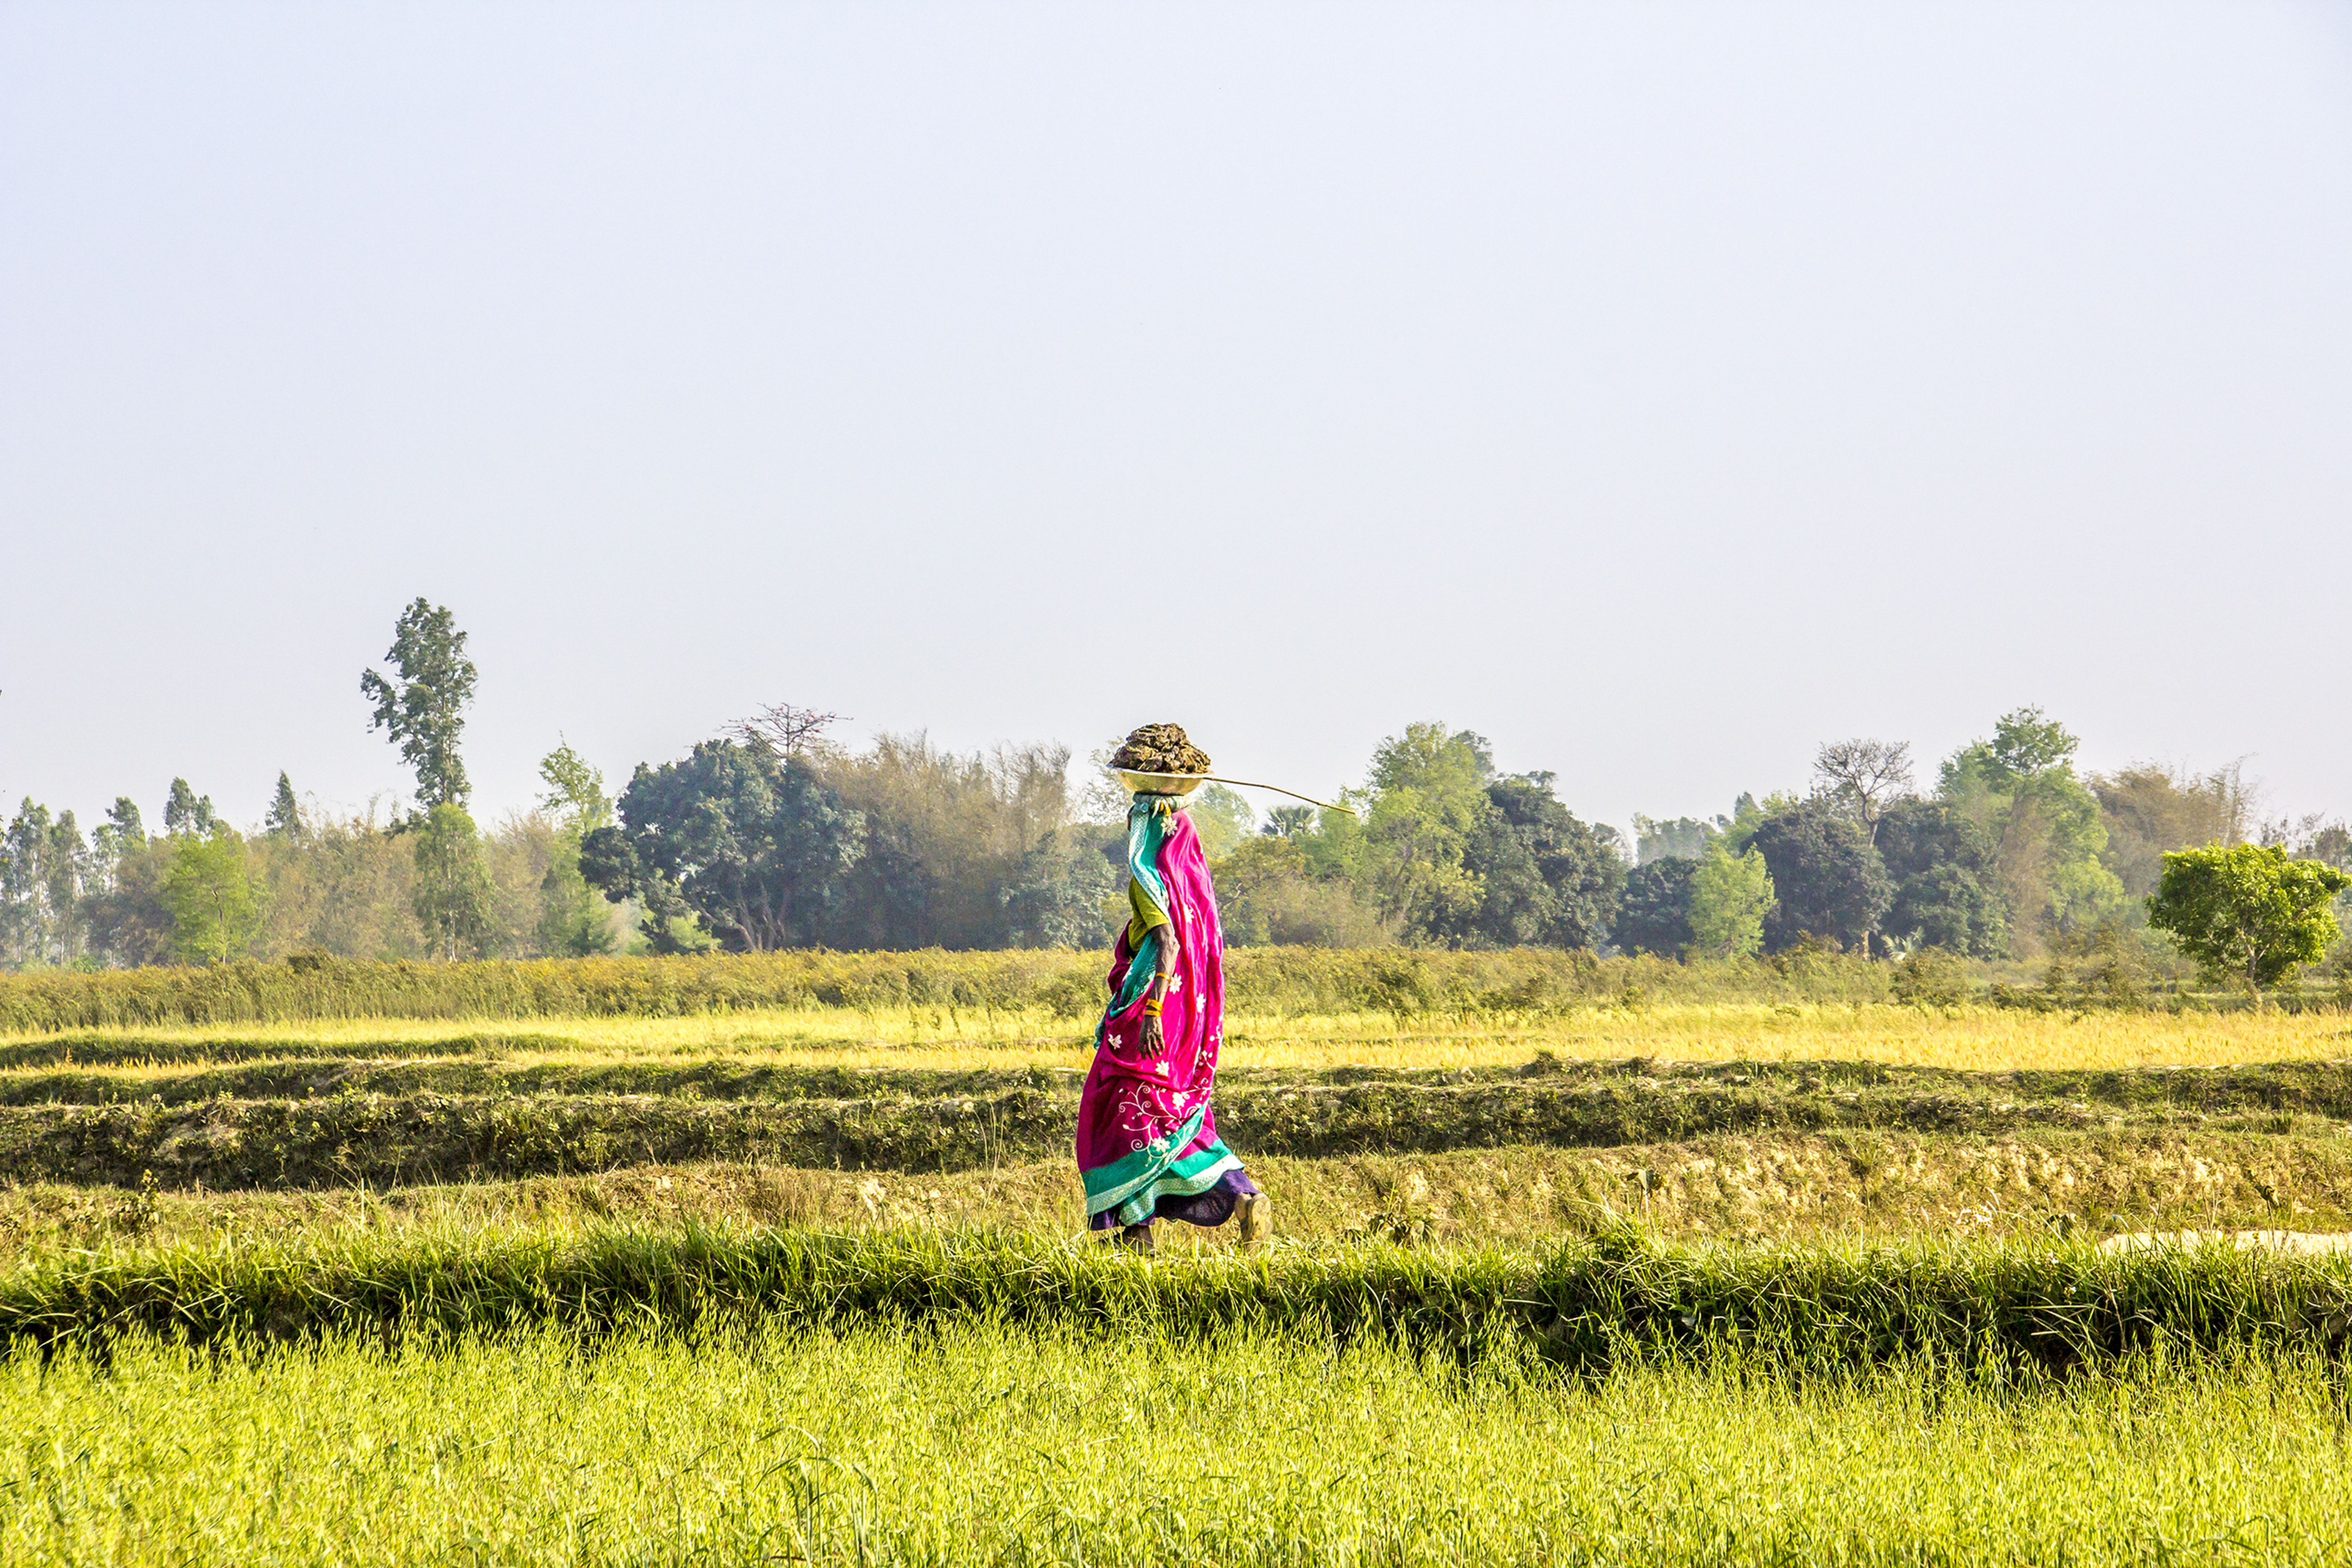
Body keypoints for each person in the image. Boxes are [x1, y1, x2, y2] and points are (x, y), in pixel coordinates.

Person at [1076, 786, 1269, 1255]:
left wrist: (1154, 1010)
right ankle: (1240, 1196)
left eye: (1134, 822)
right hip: (1186, 1025)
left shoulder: (1149, 880)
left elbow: (1167, 943)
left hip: (1150, 1016)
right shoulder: (1188, 884)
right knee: (1168, 1113)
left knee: (1116, 1115)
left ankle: (1137, 1231)